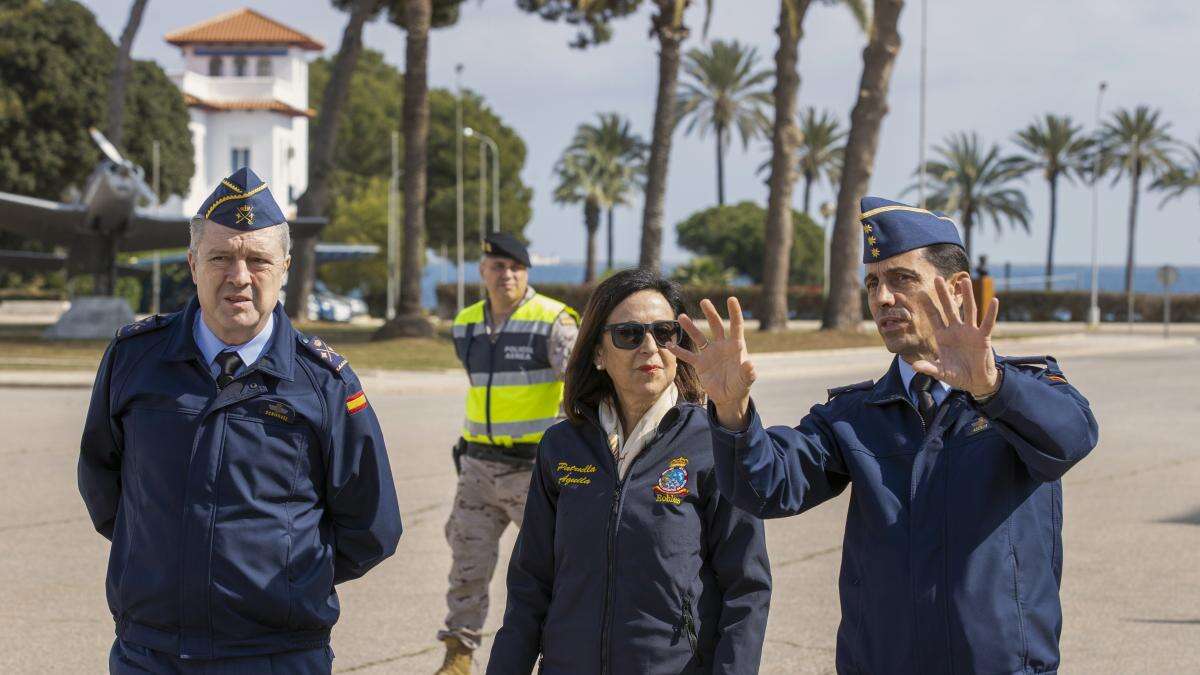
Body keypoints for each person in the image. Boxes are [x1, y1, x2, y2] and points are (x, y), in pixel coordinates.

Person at [669, 196, 1099, 674]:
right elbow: (767, 486)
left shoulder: (1023, 391)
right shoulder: (856, 413)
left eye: (902, 279)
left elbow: (1071, 439)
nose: (882, 298)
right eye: (873, 282)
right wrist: (731, 410)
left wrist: (991, 387)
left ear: (957, 289)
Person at [78, 168, 402, 674]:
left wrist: (289, 576)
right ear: (192, 263)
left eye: (257, 260)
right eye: (221, 257)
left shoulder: (324, 384)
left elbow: (372, 525)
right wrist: (162, 559)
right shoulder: (133, 360)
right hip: (152, 652)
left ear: (286, 267)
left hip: (276, 655)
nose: (240, 276)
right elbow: (103, 484)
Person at [488, 269, 771, 675]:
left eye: (664, 332)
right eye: (629, 334)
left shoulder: (714, 442)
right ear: (599, 353)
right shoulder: (561, 447)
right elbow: (530, 585)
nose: (650, 347)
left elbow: (747, 588)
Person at [437, 233, 579, 674]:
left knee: (553, 569)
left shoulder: (552, 320)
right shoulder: (465, 324)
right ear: (482, 271)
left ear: (527, 272)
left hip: (533, 470)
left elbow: (579, 385)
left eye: (516, 267)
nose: (507, 275)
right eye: (497, 267)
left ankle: (562, 654)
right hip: (477, 466)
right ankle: (458, 656)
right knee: (467, 564)